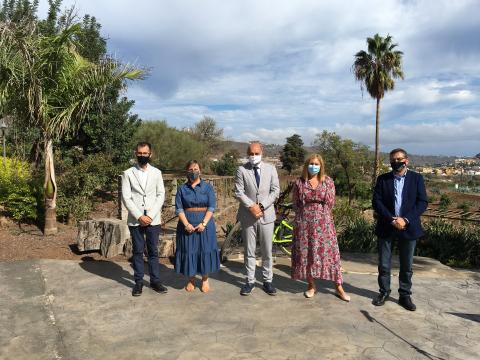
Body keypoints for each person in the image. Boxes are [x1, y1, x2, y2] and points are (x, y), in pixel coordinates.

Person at [372, 148, 428, 311]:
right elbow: (377, 201)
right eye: (392, 160)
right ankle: (384, 292)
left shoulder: (417, 179)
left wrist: (405, 219)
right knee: (383, 264)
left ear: (406, 160)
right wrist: (391, 219)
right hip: (386, 226)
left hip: (408, 227)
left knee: (407, 265)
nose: (395, 162)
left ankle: (405, 295)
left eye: (398, 159)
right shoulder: (383, 179)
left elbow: (422, 202)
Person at [291, 154, 350, 301]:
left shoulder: (328, 181)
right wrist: (302, 219)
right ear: (306, 165)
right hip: (304, 224)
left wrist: (321, 216)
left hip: (324, 223)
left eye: (316, 164)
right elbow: (296, 204)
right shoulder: (299, 182)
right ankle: (311, 285)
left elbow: (331, 203)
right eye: (311, 164)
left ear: (321, 166)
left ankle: (338, 287)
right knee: (308, 254)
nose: (313, 166)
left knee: (330, 255)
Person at [121, 142, 168, 296]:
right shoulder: (128, 173)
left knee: (153, 251)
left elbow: (161, 194)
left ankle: (155, 281)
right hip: (136, 219)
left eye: (145, 153)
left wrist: (150, 215)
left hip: (153, 220)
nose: (142, 155)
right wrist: (140, 216)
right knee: (137, 251)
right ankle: (138, 282)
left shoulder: (157, 173)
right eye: (139, 153)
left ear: (150, 154)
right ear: (136, 153)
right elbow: (126, 197)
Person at [235, 142, 280, 296]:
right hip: (248, 216)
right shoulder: (242, 169)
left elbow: (275, 191)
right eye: (251, 154)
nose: (253, 156)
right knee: (249, 250)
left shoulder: (271, 169)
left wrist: (261, 206)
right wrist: (252, 206)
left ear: (262, 153)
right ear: (247, 154)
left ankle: (267, 280)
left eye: (256, 153)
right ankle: (250, 281)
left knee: (267, 250)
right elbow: (239, 192)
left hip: (266, 216)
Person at [174, 160, 220, 292]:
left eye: (195, 169)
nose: (193, 171)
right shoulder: (182, 189)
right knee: (189, 251)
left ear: (200, 170)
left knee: (204, 251)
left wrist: (204, 223)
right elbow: (179, 209)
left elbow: (211, 206)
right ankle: (191, 279)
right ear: (186, 171)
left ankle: (205, 279)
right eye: (190, 169)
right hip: (186, 226)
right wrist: (186, 224)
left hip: (205, 225)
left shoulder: (207, 188)